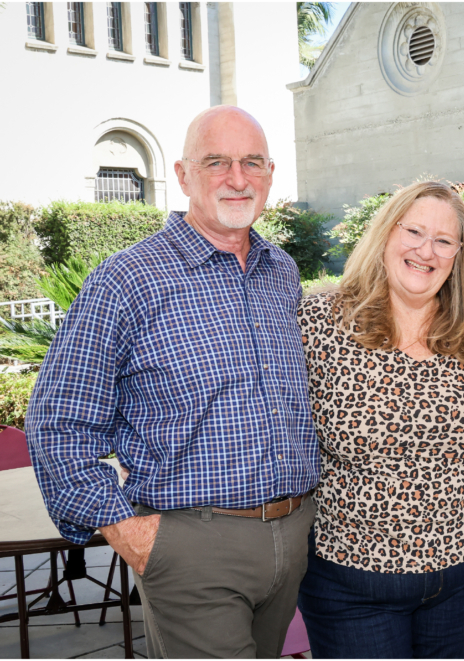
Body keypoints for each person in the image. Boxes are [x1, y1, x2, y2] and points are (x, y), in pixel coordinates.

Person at [25, 106, 319, 658]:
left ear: (271, 174)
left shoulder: (282, 272)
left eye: (252, 162)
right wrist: (127, 532)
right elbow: (59, 419)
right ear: (183, 176)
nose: (238, 178)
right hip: (191, 546)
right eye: (217, 163)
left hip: (294, 531)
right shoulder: (128, 278)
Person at [296, 181, 464, 659]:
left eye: (443, 240)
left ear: (459, 254)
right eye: (413, 231)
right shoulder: (319, 323)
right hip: (350, 583)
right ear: (387, 234)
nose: (425, 250)